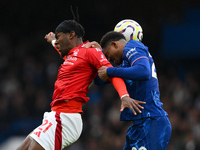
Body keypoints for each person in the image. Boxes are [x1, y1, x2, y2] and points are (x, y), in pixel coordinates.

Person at [17, 20, 146, 150]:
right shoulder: (70, 54)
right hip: (55, 115)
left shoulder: (91, 51)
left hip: (66, 118)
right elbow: (58, 46)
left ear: (71, 35)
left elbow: (111, 73)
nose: (57, 42)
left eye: (59, 37)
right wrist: (52, 40)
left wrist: (124, 96)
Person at [86, 31, 172, 150]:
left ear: (115, 44)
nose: (109, 58)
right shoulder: (124, 67)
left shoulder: (133, 46)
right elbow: (100, 81)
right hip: (139, 125)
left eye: (108, 54)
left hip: (152, 121)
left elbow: (144, 71)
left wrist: (110, 71)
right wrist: (97, 56)